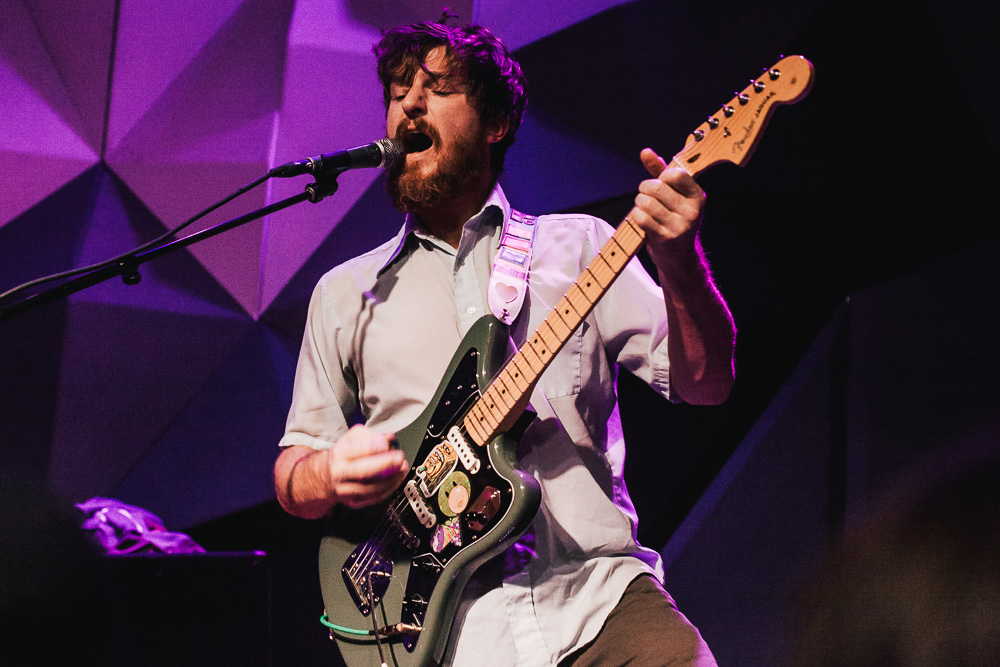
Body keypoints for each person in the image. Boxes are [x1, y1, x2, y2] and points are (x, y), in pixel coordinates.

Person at [274, 21, 735, 666]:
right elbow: (294, 472)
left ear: (494, 123)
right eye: (399, 89)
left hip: (600, 602)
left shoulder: (580, 247)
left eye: (435, 87)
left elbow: (708, 383)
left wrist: (680, 264)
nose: (408, 103)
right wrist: (327, 472)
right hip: (453, 636)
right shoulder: (345, 292)